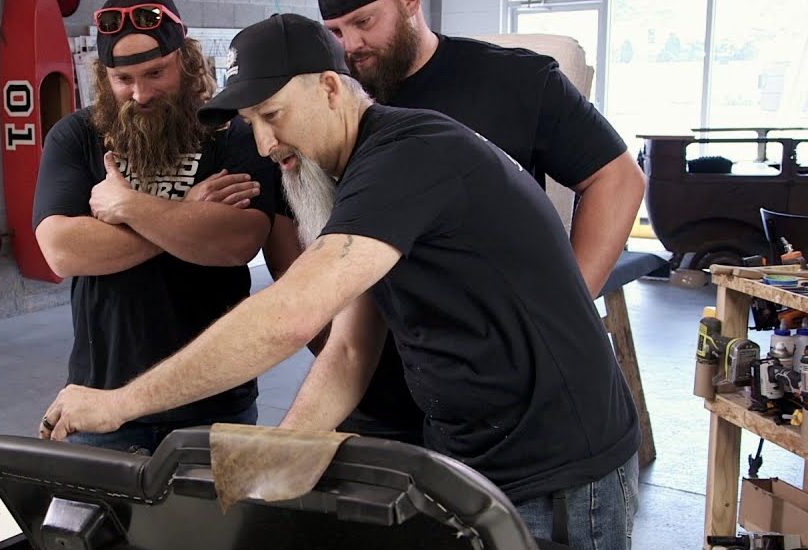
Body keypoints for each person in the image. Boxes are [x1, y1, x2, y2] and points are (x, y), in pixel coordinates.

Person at [39, 14, 639, 550]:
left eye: (273, 116)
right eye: (251, 123)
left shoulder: (407, 155)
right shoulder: (353, 179)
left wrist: (119, 403)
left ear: (330, 88)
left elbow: (289, 315)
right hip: (468, 452)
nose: (266, 145)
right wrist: (273, 470)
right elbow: (350, 349)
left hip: (558, 468)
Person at [263, 0, 648, 444]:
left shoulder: (512, 79)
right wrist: (325, 339)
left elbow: (617, 178)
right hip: (375, 389)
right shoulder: (328, 100)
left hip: (502, 404)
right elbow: (295, 225)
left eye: (364, 22)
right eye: (334, 31)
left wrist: (561, 314)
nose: (350, 45)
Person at [31, 0, 279, 454]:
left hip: (214, 401)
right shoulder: (76, 137)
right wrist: (187, 210)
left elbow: (238, 241)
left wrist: (128, 206)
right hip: (101, 400)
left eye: (155, 73)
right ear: (104, 77)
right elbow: (63, 250)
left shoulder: (232, 133)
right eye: (123, 79)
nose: (141, 94)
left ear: (186, 60)